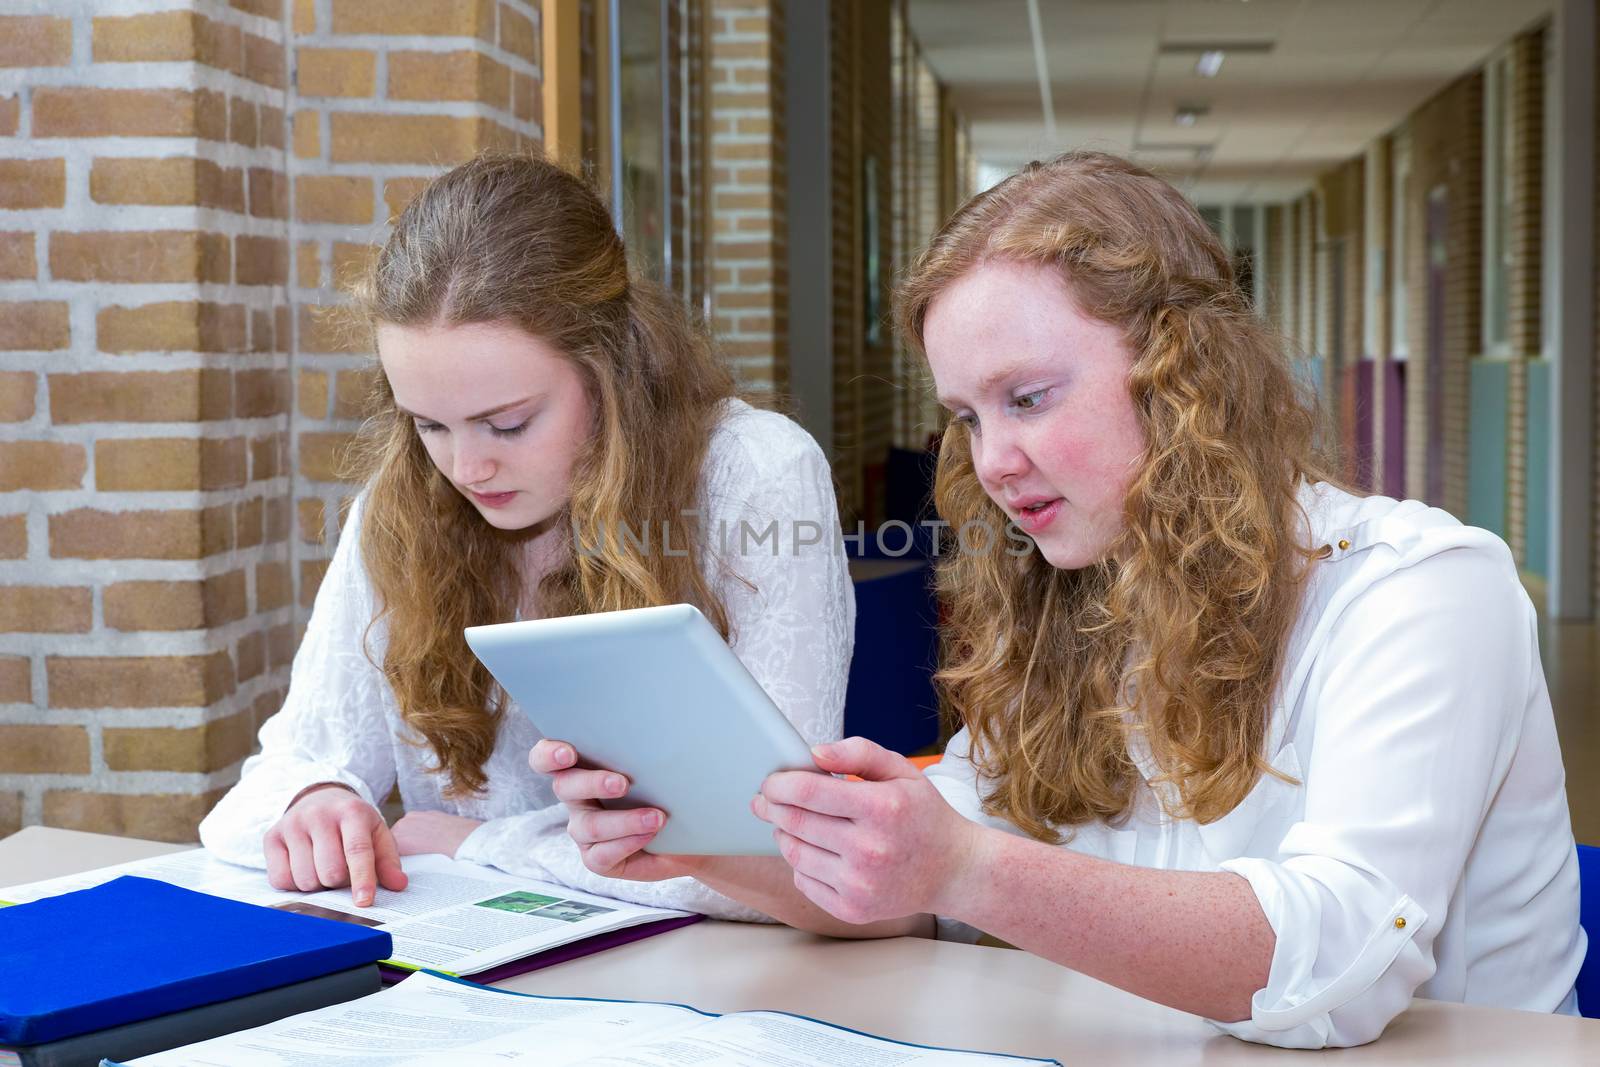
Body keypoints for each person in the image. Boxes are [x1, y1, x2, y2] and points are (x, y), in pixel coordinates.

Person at [531, 151, 1584, 1048]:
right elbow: (921, 891)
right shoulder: (1082, 592)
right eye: (967, 417)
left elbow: (1336, 967)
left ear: (1184, 374)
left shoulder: (1425, 589)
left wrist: (967, 866)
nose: (994, 460)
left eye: (1028, 398)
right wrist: (704, 847)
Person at [199, 153, 853, 920]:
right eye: (429, 424)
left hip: (714, 986)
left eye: (508, 422)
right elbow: (274, 778)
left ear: (610, 367)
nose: (466, 467)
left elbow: (788, 857)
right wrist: (316, 799)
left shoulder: (755, 474)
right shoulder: (403, 498)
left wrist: (470, 843)